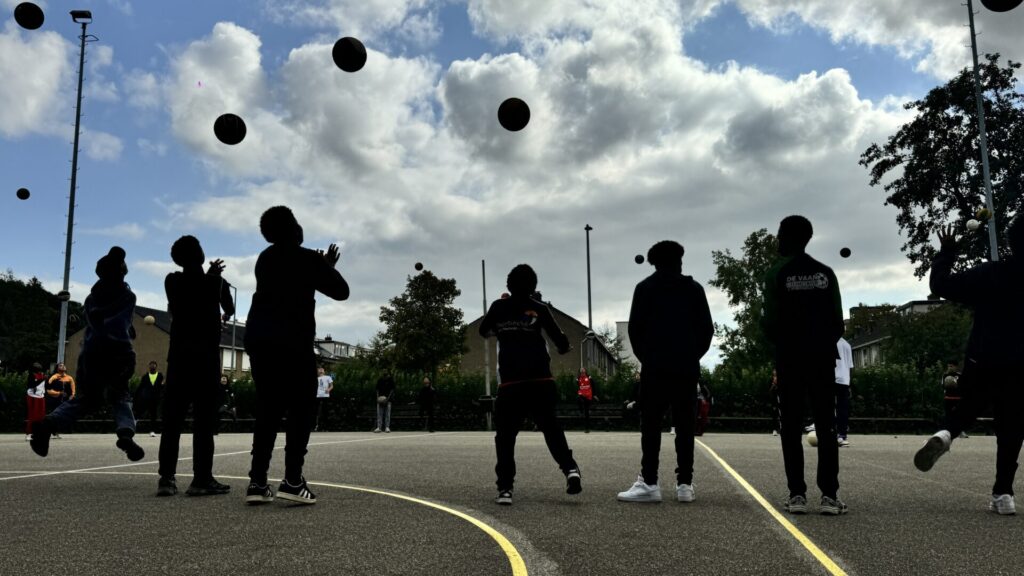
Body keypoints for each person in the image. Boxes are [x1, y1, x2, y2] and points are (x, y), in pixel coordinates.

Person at [914, 219, 1024, 515]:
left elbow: (940, 285)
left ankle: (947, 433)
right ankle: (1003, 494)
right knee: (1011, 427)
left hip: (984, 356)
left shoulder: (991, 273)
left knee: (970, 404)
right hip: (1020, 363)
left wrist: (947, 253)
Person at [244, 206, 349, 506]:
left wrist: (318, 265)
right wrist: (326, 266)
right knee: (301, 410)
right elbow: (342, 291)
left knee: (267, 410)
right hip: (292, 342)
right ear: (294, 228)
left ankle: (257, 481)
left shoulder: (264, 260)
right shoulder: (307, 259)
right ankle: (292, 480)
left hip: (260, 340)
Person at [761, 215, 847, 516]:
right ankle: (829, 496)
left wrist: (786, 344)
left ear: (786, 237)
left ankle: (797, 494)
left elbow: (769, 322)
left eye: (779, 234)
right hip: (822, 358)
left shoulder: (776, 274)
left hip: (790, 359)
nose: (777, 239)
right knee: (826, 425)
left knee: (791, 427)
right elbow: (838, 322)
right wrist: (820, 342)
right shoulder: (825, 274)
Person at [617, 240, 713, 504]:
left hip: (656, 367)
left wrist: (648, 358)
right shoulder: (694, 289)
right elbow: (706, 330)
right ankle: (684, 484)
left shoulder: (645, 288)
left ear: (654, 262)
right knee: (684, 426)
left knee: (650, 425)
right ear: (679, 260)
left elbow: (635, 330)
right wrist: (692, 356)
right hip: (685, 367)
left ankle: (649, 482)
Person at [30, 247, 144, 461]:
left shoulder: (91, 298)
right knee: (120, 395)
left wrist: (126, 327)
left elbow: (102, 321)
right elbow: (114, 321)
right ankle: (126, 434)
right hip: (118, 352)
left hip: (91, 354)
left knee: (87, 399)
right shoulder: (127, 296)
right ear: (122, 270)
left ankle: (47, 425)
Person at [481, 264, 582, 506]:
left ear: (508, 285)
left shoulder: (498, 307)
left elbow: (484, 331)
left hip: (511, 382)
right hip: (540, 380)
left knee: (505, 436)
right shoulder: (539, 309)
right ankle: (570, 470)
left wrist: (504, 328)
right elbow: (561, 343)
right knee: (550, 428)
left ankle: (505, 488)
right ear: (534, 286)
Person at [157, 235, 236, 497]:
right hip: (205, 359)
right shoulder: (215, 282)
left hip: (179, 357)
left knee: (172, 421)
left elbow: (185, 292)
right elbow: (230, 307)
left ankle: (166, 479)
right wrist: (215, 277)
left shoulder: (172, 281)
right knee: (204, 422)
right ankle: (201, 479)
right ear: (201, 255)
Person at [135, 360, 165, 438]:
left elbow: (161, 387)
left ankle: (152, 430)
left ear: (156, 366)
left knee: (153, 415)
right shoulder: (145, 377)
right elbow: (140, 387)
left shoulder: (160, 376)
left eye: (154, 365)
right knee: (140, 412)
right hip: (146, 399)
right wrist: (136, 395)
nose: (152, 366)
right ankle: (133, 426)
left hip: (155, 399)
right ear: (149, 367)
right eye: (151, 365)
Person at [45, 363, 75, 438]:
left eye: (64, 365)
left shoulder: (69, 378)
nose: (63, 366)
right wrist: (58, 393)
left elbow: (73, 389)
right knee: (54, 415)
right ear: (57, 368)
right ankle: (53, 432)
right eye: (61, 365)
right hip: (54, 399)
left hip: (65, 400)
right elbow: (48, 389)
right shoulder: (53, 377)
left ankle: (62, 430)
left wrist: (72, 396)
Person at [835, 337, 853, 447]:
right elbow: (851, 366)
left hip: (834, 378)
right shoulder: (847, 344)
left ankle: (831, 431)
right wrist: (849, 382)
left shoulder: (831, 342)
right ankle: (842, 434)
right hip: (845, 380)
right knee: (843, 407)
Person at [940, 361, 966, 438]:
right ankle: (947, 432)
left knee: (959, 415)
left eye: (951, 366)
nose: (949, 368)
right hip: (948, 398)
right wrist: (948, 385)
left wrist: (955, 385)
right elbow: (943, 386)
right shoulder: (945, 375)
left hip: (958, 398)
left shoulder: (960, 376)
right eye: (948, 366)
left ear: (955, 367)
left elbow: (964, 387)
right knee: (948, 416)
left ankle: (960, 431)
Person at [25, 363, 46, 441]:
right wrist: (41, 380)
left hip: (41, 396)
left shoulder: (42, 375)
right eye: (36, 365)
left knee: (41, 416)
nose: (38, 366)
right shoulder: (31, 375)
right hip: (32, 396)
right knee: (33, 415)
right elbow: (31, 385)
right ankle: (29, 433)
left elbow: (43, 386)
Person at [314, 367, 334, 432]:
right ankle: (317, 426)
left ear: (324, 371)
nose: (320, 370)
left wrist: (328, 389)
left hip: (325, 396)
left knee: (325, 412)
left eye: (322, 369)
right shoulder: (317, 378)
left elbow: (331, 386)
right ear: (317, 371)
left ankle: (326, 427)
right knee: (317, 412)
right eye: (319, 369)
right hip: (318, 396)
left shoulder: (328, 377)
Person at [577, 368, 595, 433]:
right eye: (581, 371)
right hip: (582, 395)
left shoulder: (589, 377)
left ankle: (587, 428)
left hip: (588, 396)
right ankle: (581, 411)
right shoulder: (578, 378)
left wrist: (594, 395)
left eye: (583, 370)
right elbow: (578, 387)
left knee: (586, 413)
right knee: (578, 399)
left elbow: (593, 386)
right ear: (580, 372)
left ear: (585, 371)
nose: (582, 371)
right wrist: (580, 393)